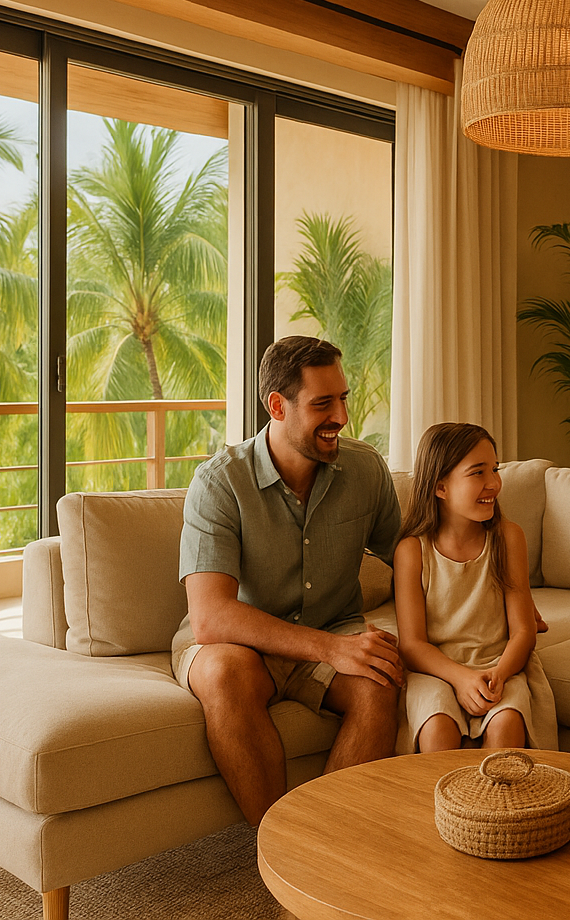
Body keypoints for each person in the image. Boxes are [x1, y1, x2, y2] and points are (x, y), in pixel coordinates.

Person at [171, 335, 404, 826]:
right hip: (241, 642)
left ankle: (321, 847)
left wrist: (497, 590)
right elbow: (211, 618)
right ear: (277, 405)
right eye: (323, 403)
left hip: (332, 624)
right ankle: (278, 845)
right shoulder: (218, 483)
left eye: (343, 398)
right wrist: (329, 649)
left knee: (380, 678)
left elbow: (411, 557)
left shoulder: (366, 469)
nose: (341, 415)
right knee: (224, 674)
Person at [394, 422, 553, 752]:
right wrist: (461, 678)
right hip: (436, 673)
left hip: (501, 666)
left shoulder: (509, 539)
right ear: (440, 487)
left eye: (494, 469)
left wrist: (497, 676)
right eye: (478, 473)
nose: (493, 483)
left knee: (507, 726)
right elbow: (412, 645)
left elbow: (524, 631)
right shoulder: (411, 551)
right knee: (438, 731)